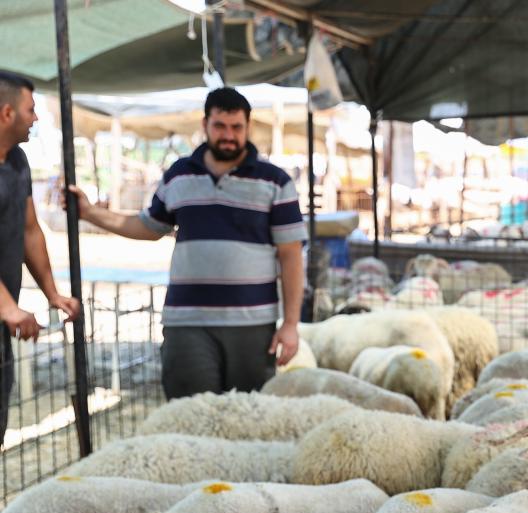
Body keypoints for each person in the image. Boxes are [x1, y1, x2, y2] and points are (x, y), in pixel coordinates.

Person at [66, 87, 304, 398]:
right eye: (220, 126)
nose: (228, 135)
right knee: (189, 416)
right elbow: (149, 226)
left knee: (249, 422)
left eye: (237, 127)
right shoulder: (179, 175)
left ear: (248, 127)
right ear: (205, 125)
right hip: (188, 322)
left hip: (252, 324)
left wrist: (290, 324)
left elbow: (291, 255)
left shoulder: (275, 182)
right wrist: (90, 213)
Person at [0, 72, 81, 443]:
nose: (35, 119)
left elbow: (30, 229)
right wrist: (9, 307)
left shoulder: (16, 162)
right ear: (6, 113)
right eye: (31, 110)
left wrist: (52, 292)